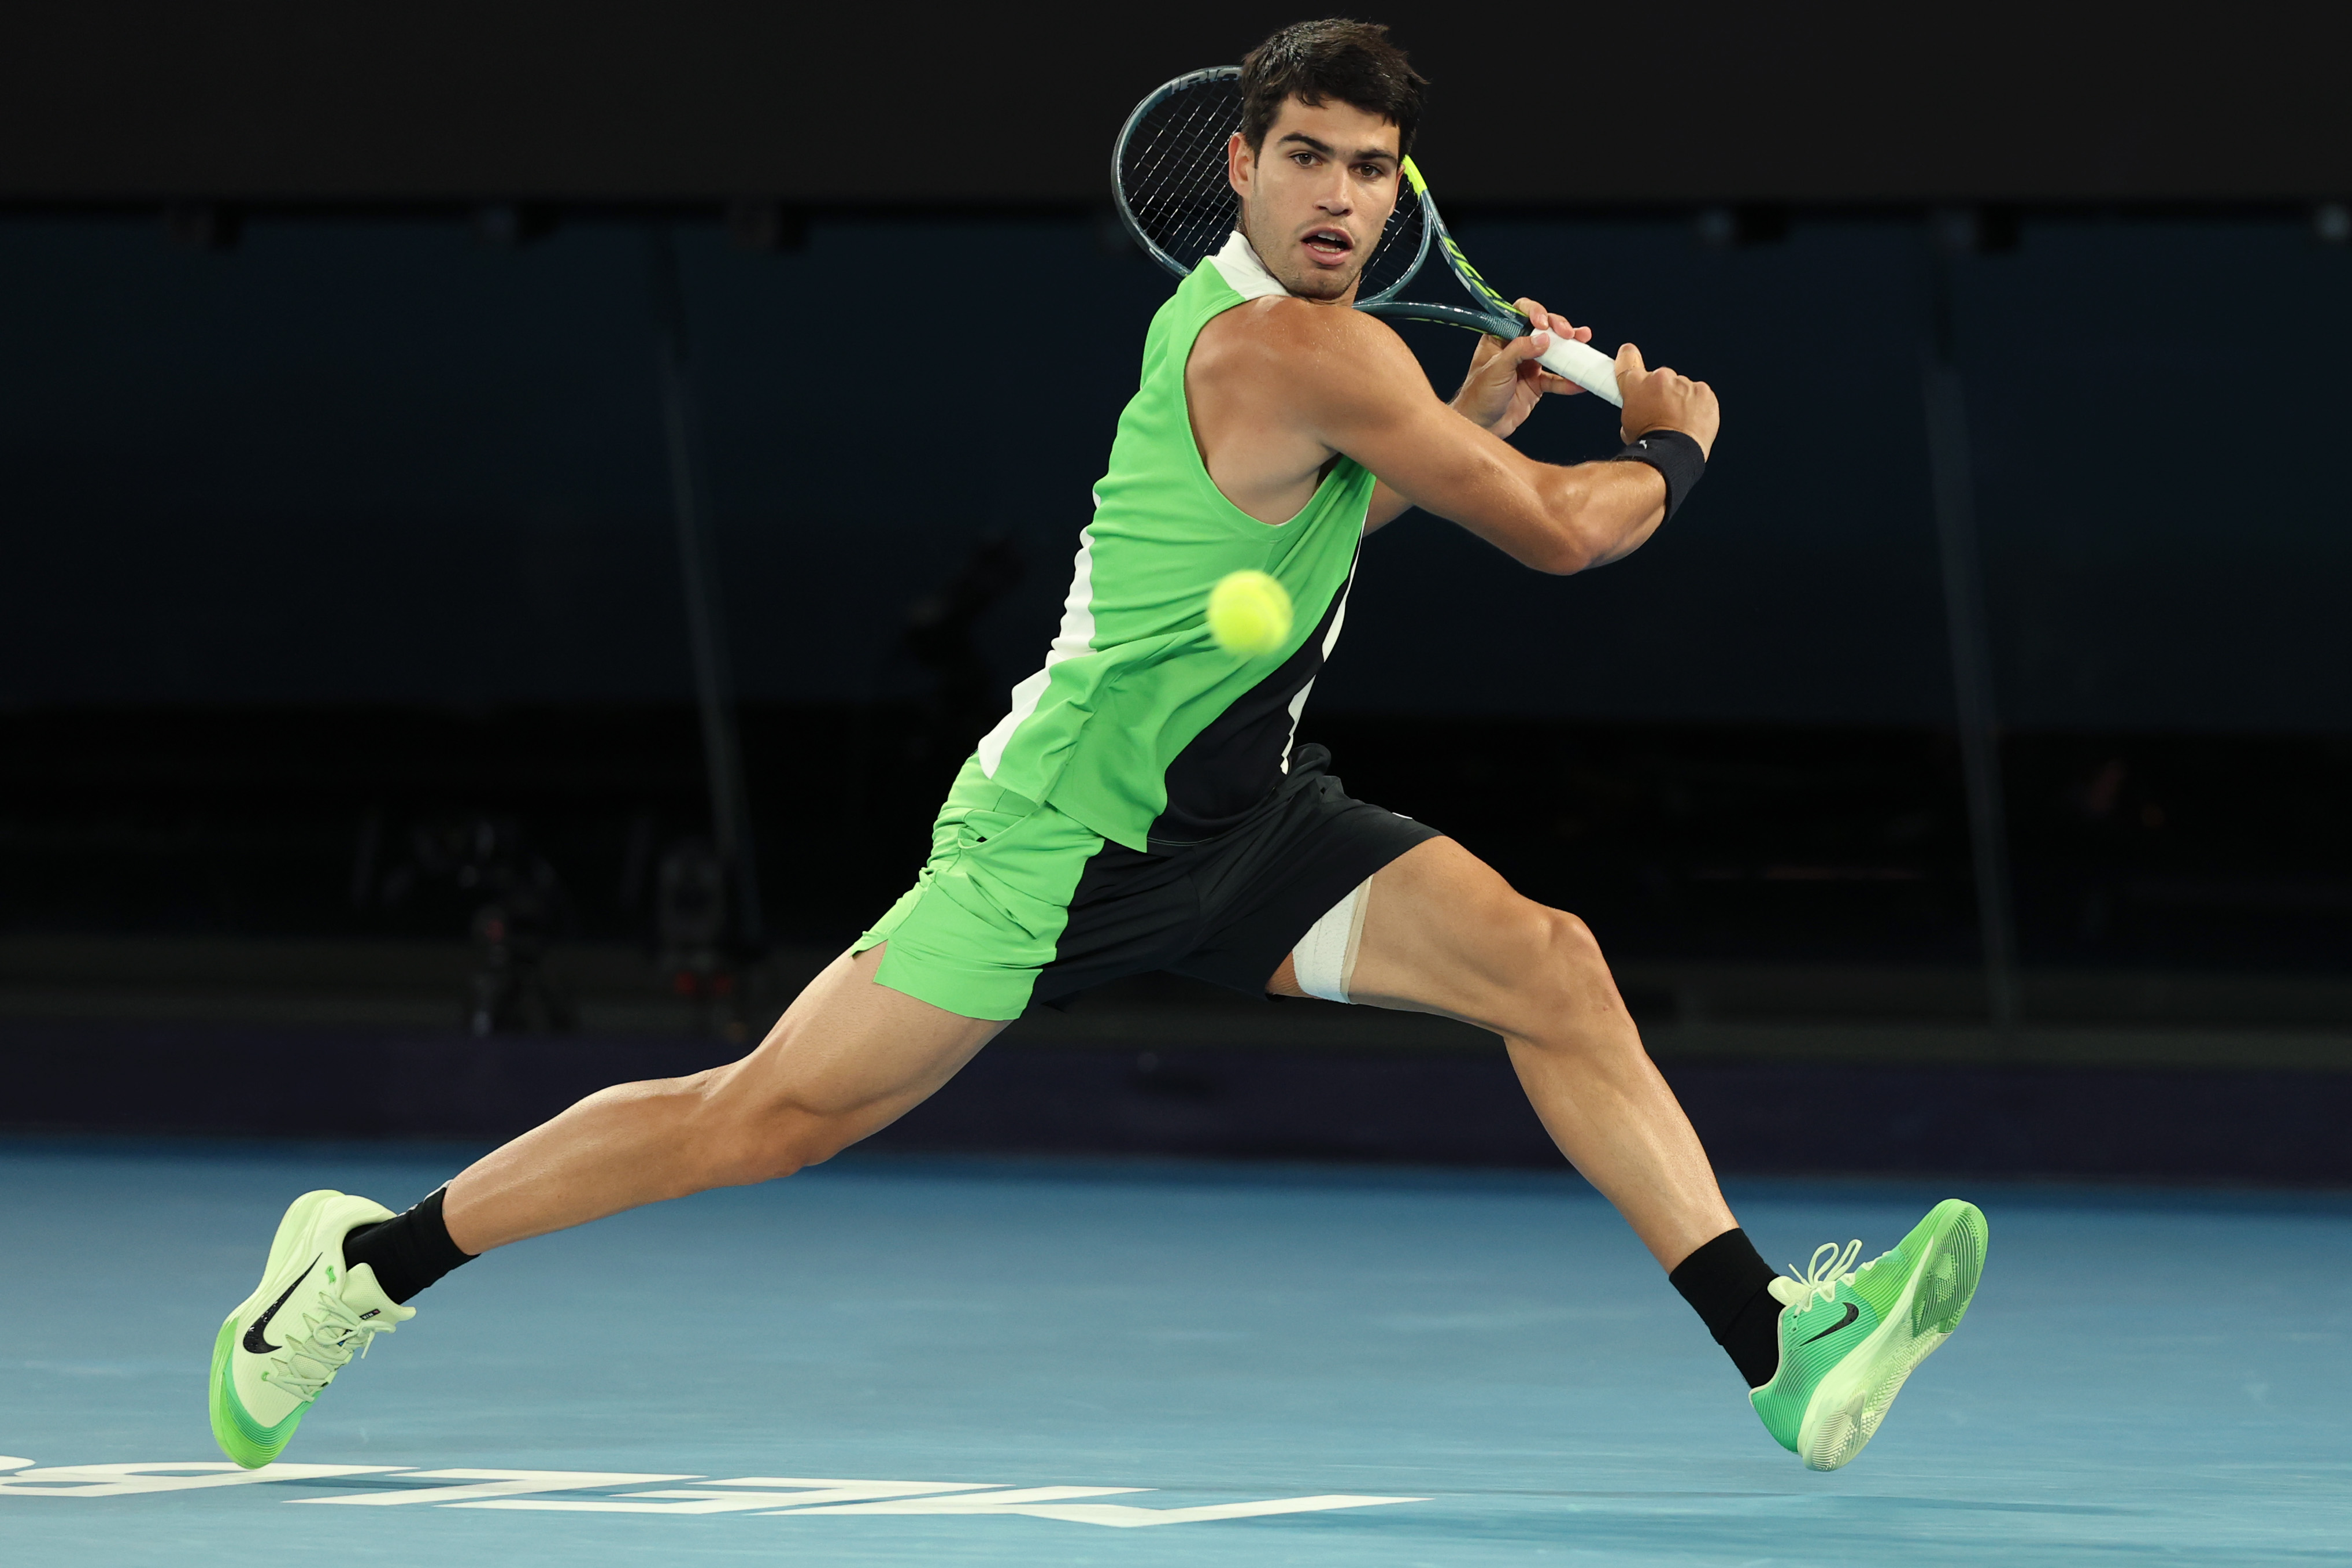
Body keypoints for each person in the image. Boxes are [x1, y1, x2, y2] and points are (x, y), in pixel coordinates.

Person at [210, 17, 1984, 1478]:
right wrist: (1672, 442)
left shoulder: (1334, 361)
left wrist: (1458, 416)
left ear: (1399, 189)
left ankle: (1773, 1342)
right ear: (1241, 164)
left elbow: (1320, 534)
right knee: (756, 1120)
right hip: (1057, 839)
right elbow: (1560, 534)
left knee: (1550, 967)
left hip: (1242, 826)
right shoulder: (1287, 348)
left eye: (1373, 168)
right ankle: (356, 1269)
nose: (1341, 196)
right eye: (1307, 157)